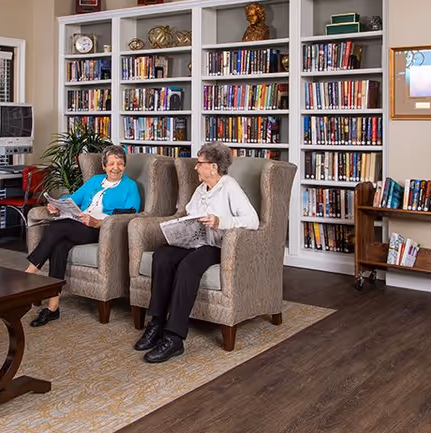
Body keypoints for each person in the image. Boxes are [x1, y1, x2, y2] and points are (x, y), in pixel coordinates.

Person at [135, 142, 259, 363]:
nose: (195, 167)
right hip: (196, 241)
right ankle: (157, 322)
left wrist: (220, 221)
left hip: (217, 246)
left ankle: (174, 337)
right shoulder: (201, 189)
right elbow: (190, 213)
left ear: (213, 166)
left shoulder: (229, 187)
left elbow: (253, 221)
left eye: (199, 163)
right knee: (162, 255)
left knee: (188, 266)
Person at [25, 144, 141, 327]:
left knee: (58, 227)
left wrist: (98, 222)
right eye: (111, 163)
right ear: (104, 166)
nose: (116, 168)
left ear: (124, 165)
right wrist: (56, 205)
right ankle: (53, 307)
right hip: (81, 224)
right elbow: (73, 198)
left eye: (120, 163)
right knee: (59, 247)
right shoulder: (95, 181)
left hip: (101, 230)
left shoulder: (130, 186)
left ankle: (29, 273)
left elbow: (131, 214)